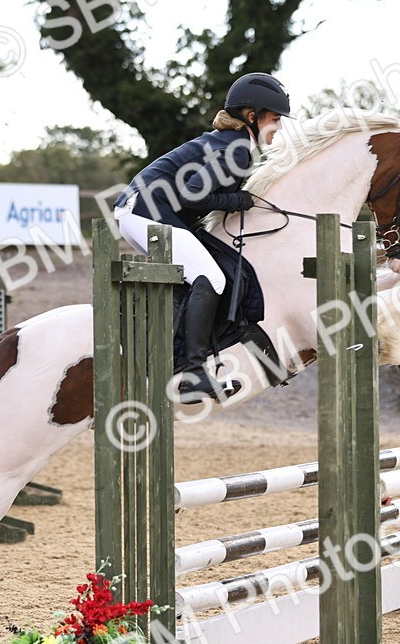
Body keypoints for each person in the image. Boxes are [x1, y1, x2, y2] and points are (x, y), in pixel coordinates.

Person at [113, 72, 291, 404]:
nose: (278, 127)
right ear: (252, 117)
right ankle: (193, 373)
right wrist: (237, 201)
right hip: (146, 213)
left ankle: (170, 351)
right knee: (210, 276)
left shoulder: (232, 144)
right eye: (274, 118)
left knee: (198, 277)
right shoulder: (238, 149)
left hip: (141, 211)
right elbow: (193, 193)